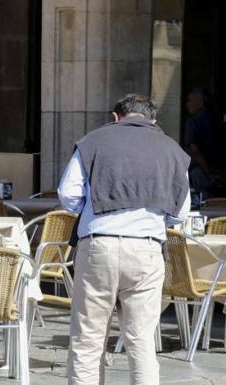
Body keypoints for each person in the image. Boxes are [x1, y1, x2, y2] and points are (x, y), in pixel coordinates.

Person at [58, 94, 190, 385]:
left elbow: (68, 195)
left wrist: (92, 212)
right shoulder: (171, 148)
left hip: (99, 245)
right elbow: (181, 213)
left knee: (88, 339)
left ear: (115, 116)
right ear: (153, 120)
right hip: (146, 247)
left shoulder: (93, 140)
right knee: (141, 340)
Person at [184, 87, 226, 198]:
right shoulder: (219, 120)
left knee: (204, 204)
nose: (187, 105)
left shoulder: (192, 122)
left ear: (201, 103)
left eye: (190, 101)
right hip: (221, 173)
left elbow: (195, 151)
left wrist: (209, 174)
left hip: (202, 173)